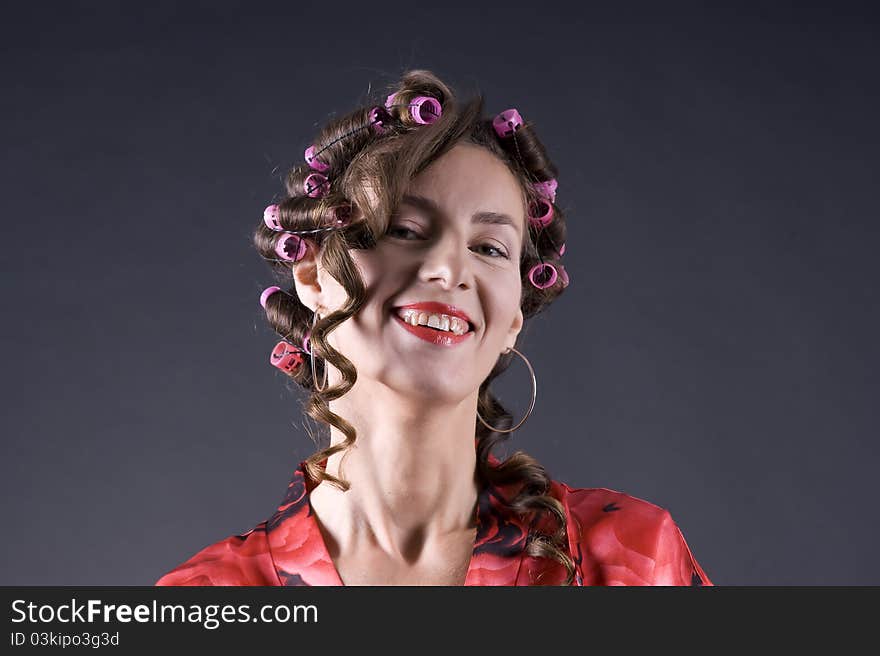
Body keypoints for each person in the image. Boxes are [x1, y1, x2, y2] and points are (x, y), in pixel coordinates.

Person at [155, 70, 713, 586]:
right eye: (403, 229)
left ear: (514, 313)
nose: (451, 269)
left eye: (490, 248)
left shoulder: (632, 558)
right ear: (311, 273)